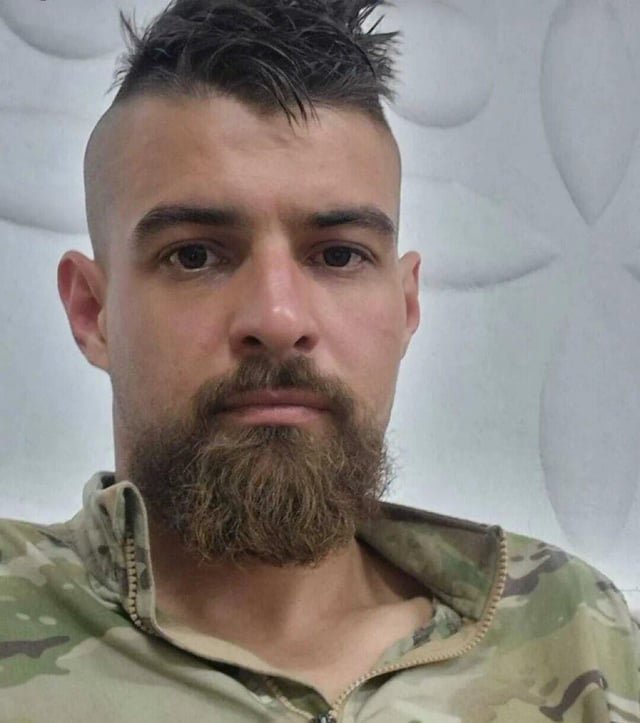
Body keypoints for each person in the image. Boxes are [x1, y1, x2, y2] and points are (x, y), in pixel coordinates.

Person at [1, 0, 638, 720]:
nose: (278, 320)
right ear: (92, 311)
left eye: (338, 256)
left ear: (406, 306)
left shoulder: (581, 633)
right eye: (195, 255)